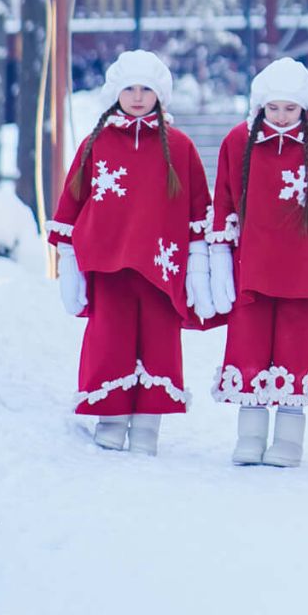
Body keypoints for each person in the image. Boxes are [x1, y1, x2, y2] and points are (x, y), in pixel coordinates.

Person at [47, 49, 212, 453]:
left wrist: (199, 263)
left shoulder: (180, 147)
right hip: (108, 265)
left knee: (159, 343)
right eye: (129, 88)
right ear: (115, 92)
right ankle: (112, 417)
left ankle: (147, 426)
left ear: (160, 94)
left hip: (162, 266)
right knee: (110, 341)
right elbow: (71, 205)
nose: (138, 97)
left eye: (146, 89)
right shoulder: (95, 144)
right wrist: (69, 262)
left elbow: (197, 210)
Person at [208, 57, 308, 468]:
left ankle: (289, 439)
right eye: (273, 108)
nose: (281, 116)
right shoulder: (238, 142)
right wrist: (219, 252)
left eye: (290, 109)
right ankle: (250, 434)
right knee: (248, 346)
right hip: (252, 267)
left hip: (305, 270)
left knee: (297, 349)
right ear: (259, 107)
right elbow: (223, 195)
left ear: (306, 108)